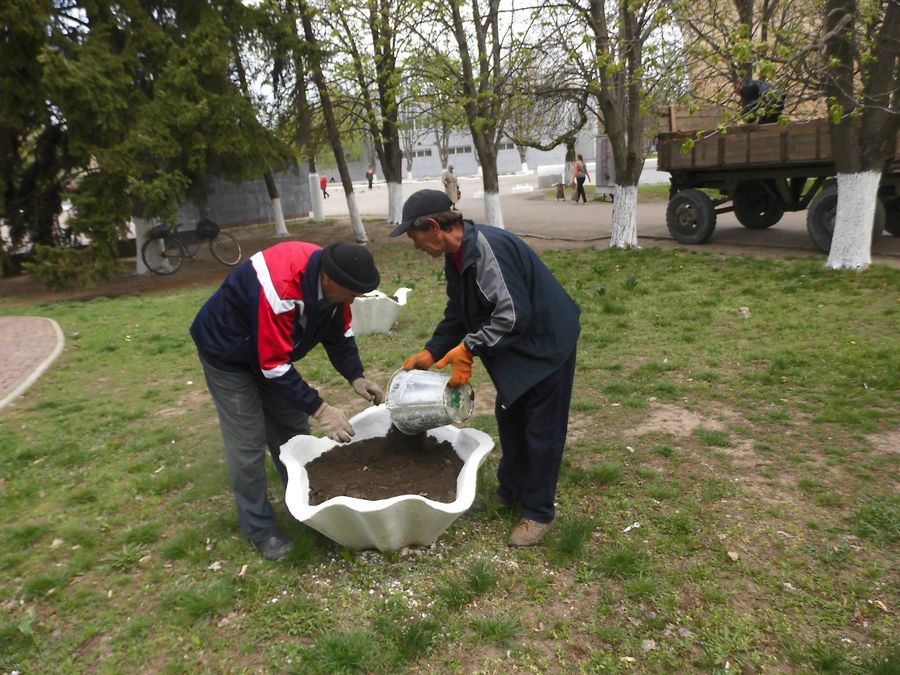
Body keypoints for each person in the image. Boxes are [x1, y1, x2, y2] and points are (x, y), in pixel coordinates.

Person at [392, 190, 581, 547]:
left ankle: (538, 512)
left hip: (546, 342)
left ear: (434, 226)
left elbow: (513, 315)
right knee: (510, 417)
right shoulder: (457, 255)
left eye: (417, 240)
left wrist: (468, 348)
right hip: (516, 346)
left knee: (542, 430)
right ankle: (511, 490)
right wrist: (432, 352)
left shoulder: (487, 252)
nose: (418, 249)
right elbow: (459, 311)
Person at [190, 241, 384, 560]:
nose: (352, 300)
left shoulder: (336, 279)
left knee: (292, 431)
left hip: (268, 353)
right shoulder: (281, 289)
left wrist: (356, 375)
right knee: (247, 443)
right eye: (351, 293)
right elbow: (274, 367)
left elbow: (339, 335)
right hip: (227, 351)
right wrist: (321, 410)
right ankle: (261, 530)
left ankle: (307, 507)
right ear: (329, 281)